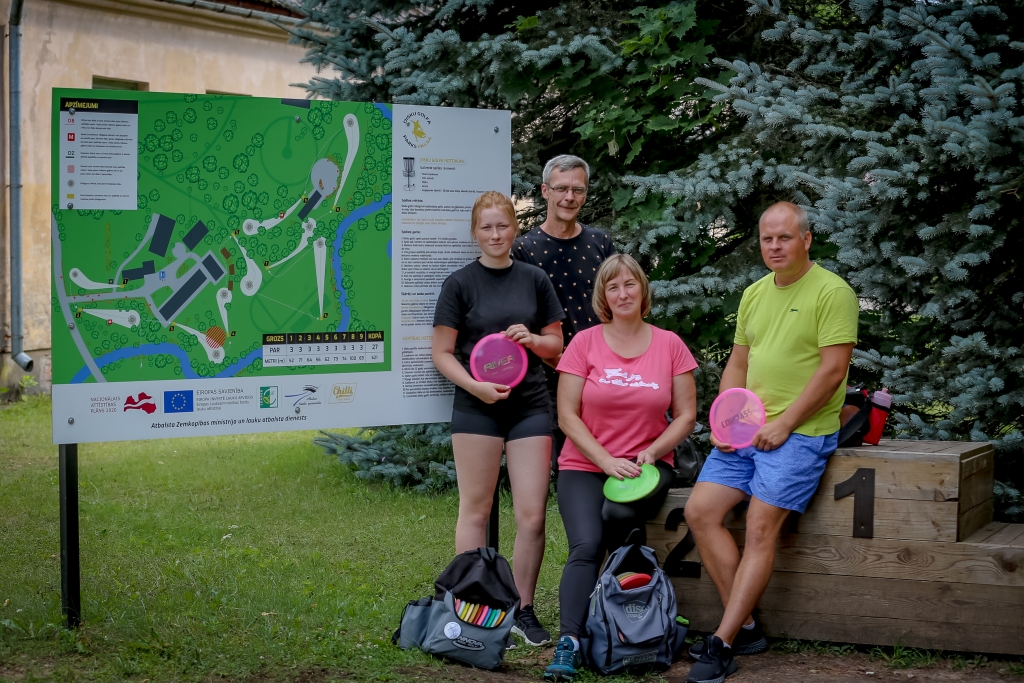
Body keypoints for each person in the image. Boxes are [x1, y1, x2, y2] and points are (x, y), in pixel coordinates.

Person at [683, 202, 859, 683]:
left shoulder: (832, 292)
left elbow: (832, 370)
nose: (775, 247)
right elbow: (738, 363)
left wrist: (786, 424)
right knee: (700, 512)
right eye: (767, 239)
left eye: (784, 237)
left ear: (806, 239)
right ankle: (747, 627)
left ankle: (721, 643)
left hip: (801, 433)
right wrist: (724, 420)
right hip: (745, 427)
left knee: (761, 527)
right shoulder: (755, 294)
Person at [544, 254, 698, 682]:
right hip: (586, 463)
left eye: (630, 284)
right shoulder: (584, 343)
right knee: (586, 545)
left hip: (648, 466)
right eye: (613, 287)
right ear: (604, 297)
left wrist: (651, 451)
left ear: (643, 290)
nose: (623, 293)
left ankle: (627, 627)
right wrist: (605, 461)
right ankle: (571, 642)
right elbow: (567, 415)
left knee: (618, 515)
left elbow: (686, 414)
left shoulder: (669, 344)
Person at [431, 191, 565, 648]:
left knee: (531, 516)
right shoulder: (459, 284)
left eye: (502, 226)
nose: (494, 235)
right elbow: (442, 353)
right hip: (475, 409)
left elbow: (556, 348)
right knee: (475, 509)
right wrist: (475, 386)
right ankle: (473, 608)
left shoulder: (534, 279)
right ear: (475, 233)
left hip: (529, 408)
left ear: (514, 230)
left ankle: (522, 611)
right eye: (486, 227)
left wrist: (531, 339)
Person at [512, 155, 616, 475]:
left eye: (578, 190)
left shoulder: (600, 243)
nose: (569, 197)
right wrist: (566, 366)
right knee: (567, 469)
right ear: (545, 191)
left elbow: (618, 308)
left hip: (603, 376)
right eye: (561, 188)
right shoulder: (524, 250)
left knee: (613, 462)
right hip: (548, 378)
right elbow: (523, 321)